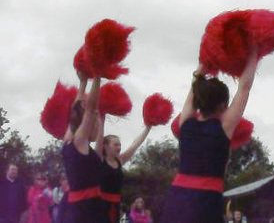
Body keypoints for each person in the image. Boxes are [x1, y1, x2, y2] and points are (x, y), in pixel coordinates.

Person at [160, 48, 259, 223]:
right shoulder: (223, 127)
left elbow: (194, 87)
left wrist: (204, 62)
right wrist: (254, 51)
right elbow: (244, 87)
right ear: (222, 105)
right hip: (205, 199)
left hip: (177, 197)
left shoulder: (186, 123)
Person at [62, 73, 104, 222]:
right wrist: (98, 75)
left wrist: (83, 82)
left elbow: (76, 111)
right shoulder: (79, 140)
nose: (97, 125)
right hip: (86, 211)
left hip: (79, 207)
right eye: (95, 122)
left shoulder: (68, 139)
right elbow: (90, 109)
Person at [96, 120, 151, 223]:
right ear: (105, 146)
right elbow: (99, 139)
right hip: (100, 205)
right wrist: (101, 119)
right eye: (116, 145)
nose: (119, 147)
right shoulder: (99, 159)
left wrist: (148, 127)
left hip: (116, 205)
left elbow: (135, 144)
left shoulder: (120, 160)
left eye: (120, 145)